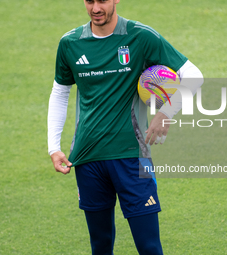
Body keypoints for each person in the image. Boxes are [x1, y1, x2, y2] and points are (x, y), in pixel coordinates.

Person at [48, 0, 203, 254]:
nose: (95, 8)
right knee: (100, 246)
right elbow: (60, 91)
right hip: (88, 158)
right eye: (89, 1)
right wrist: (53, 147)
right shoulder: (70, 43)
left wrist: (165, 113)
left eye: (102, 1)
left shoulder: (140, 37)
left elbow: (194, 76)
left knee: (150, 247)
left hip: (133, 157)